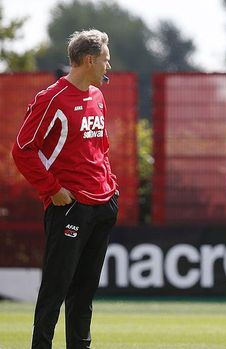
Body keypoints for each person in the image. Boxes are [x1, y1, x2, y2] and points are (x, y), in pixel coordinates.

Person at [12, 29, 118, 349]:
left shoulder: (98, 96)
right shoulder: (51, 99)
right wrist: (54, 190)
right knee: (55, 290)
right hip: (69, 207)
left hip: (102, 205)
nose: (107, 66)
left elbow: (100, 148)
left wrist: (111, 187)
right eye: (105, 60)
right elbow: (22, 150)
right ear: (89, 60)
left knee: (84, 293)